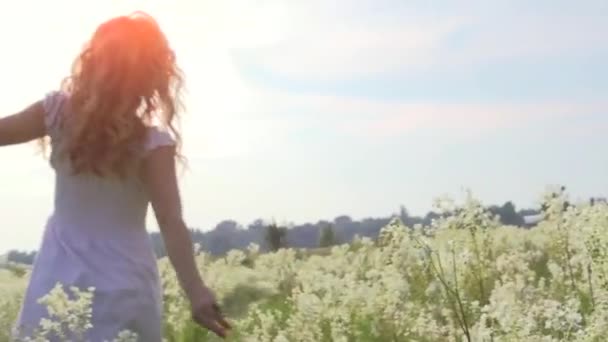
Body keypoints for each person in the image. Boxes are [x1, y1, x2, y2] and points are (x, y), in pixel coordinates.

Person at [0, 12, 231, 341]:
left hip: (59, 279)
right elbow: (170, 221)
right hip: (127, 282)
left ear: (92, 63)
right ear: (154, 76)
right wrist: (196, 291)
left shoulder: (55, 114)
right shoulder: (155, 143)